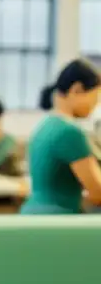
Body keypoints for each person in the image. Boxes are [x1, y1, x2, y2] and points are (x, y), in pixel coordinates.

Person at [21, 58, 101, 215]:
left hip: (34, 214)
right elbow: (98, 192)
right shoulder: (70, 132)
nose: (96, 105)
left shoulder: (46, 126)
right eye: (96, 97)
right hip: (58, 220)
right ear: (77, 89)